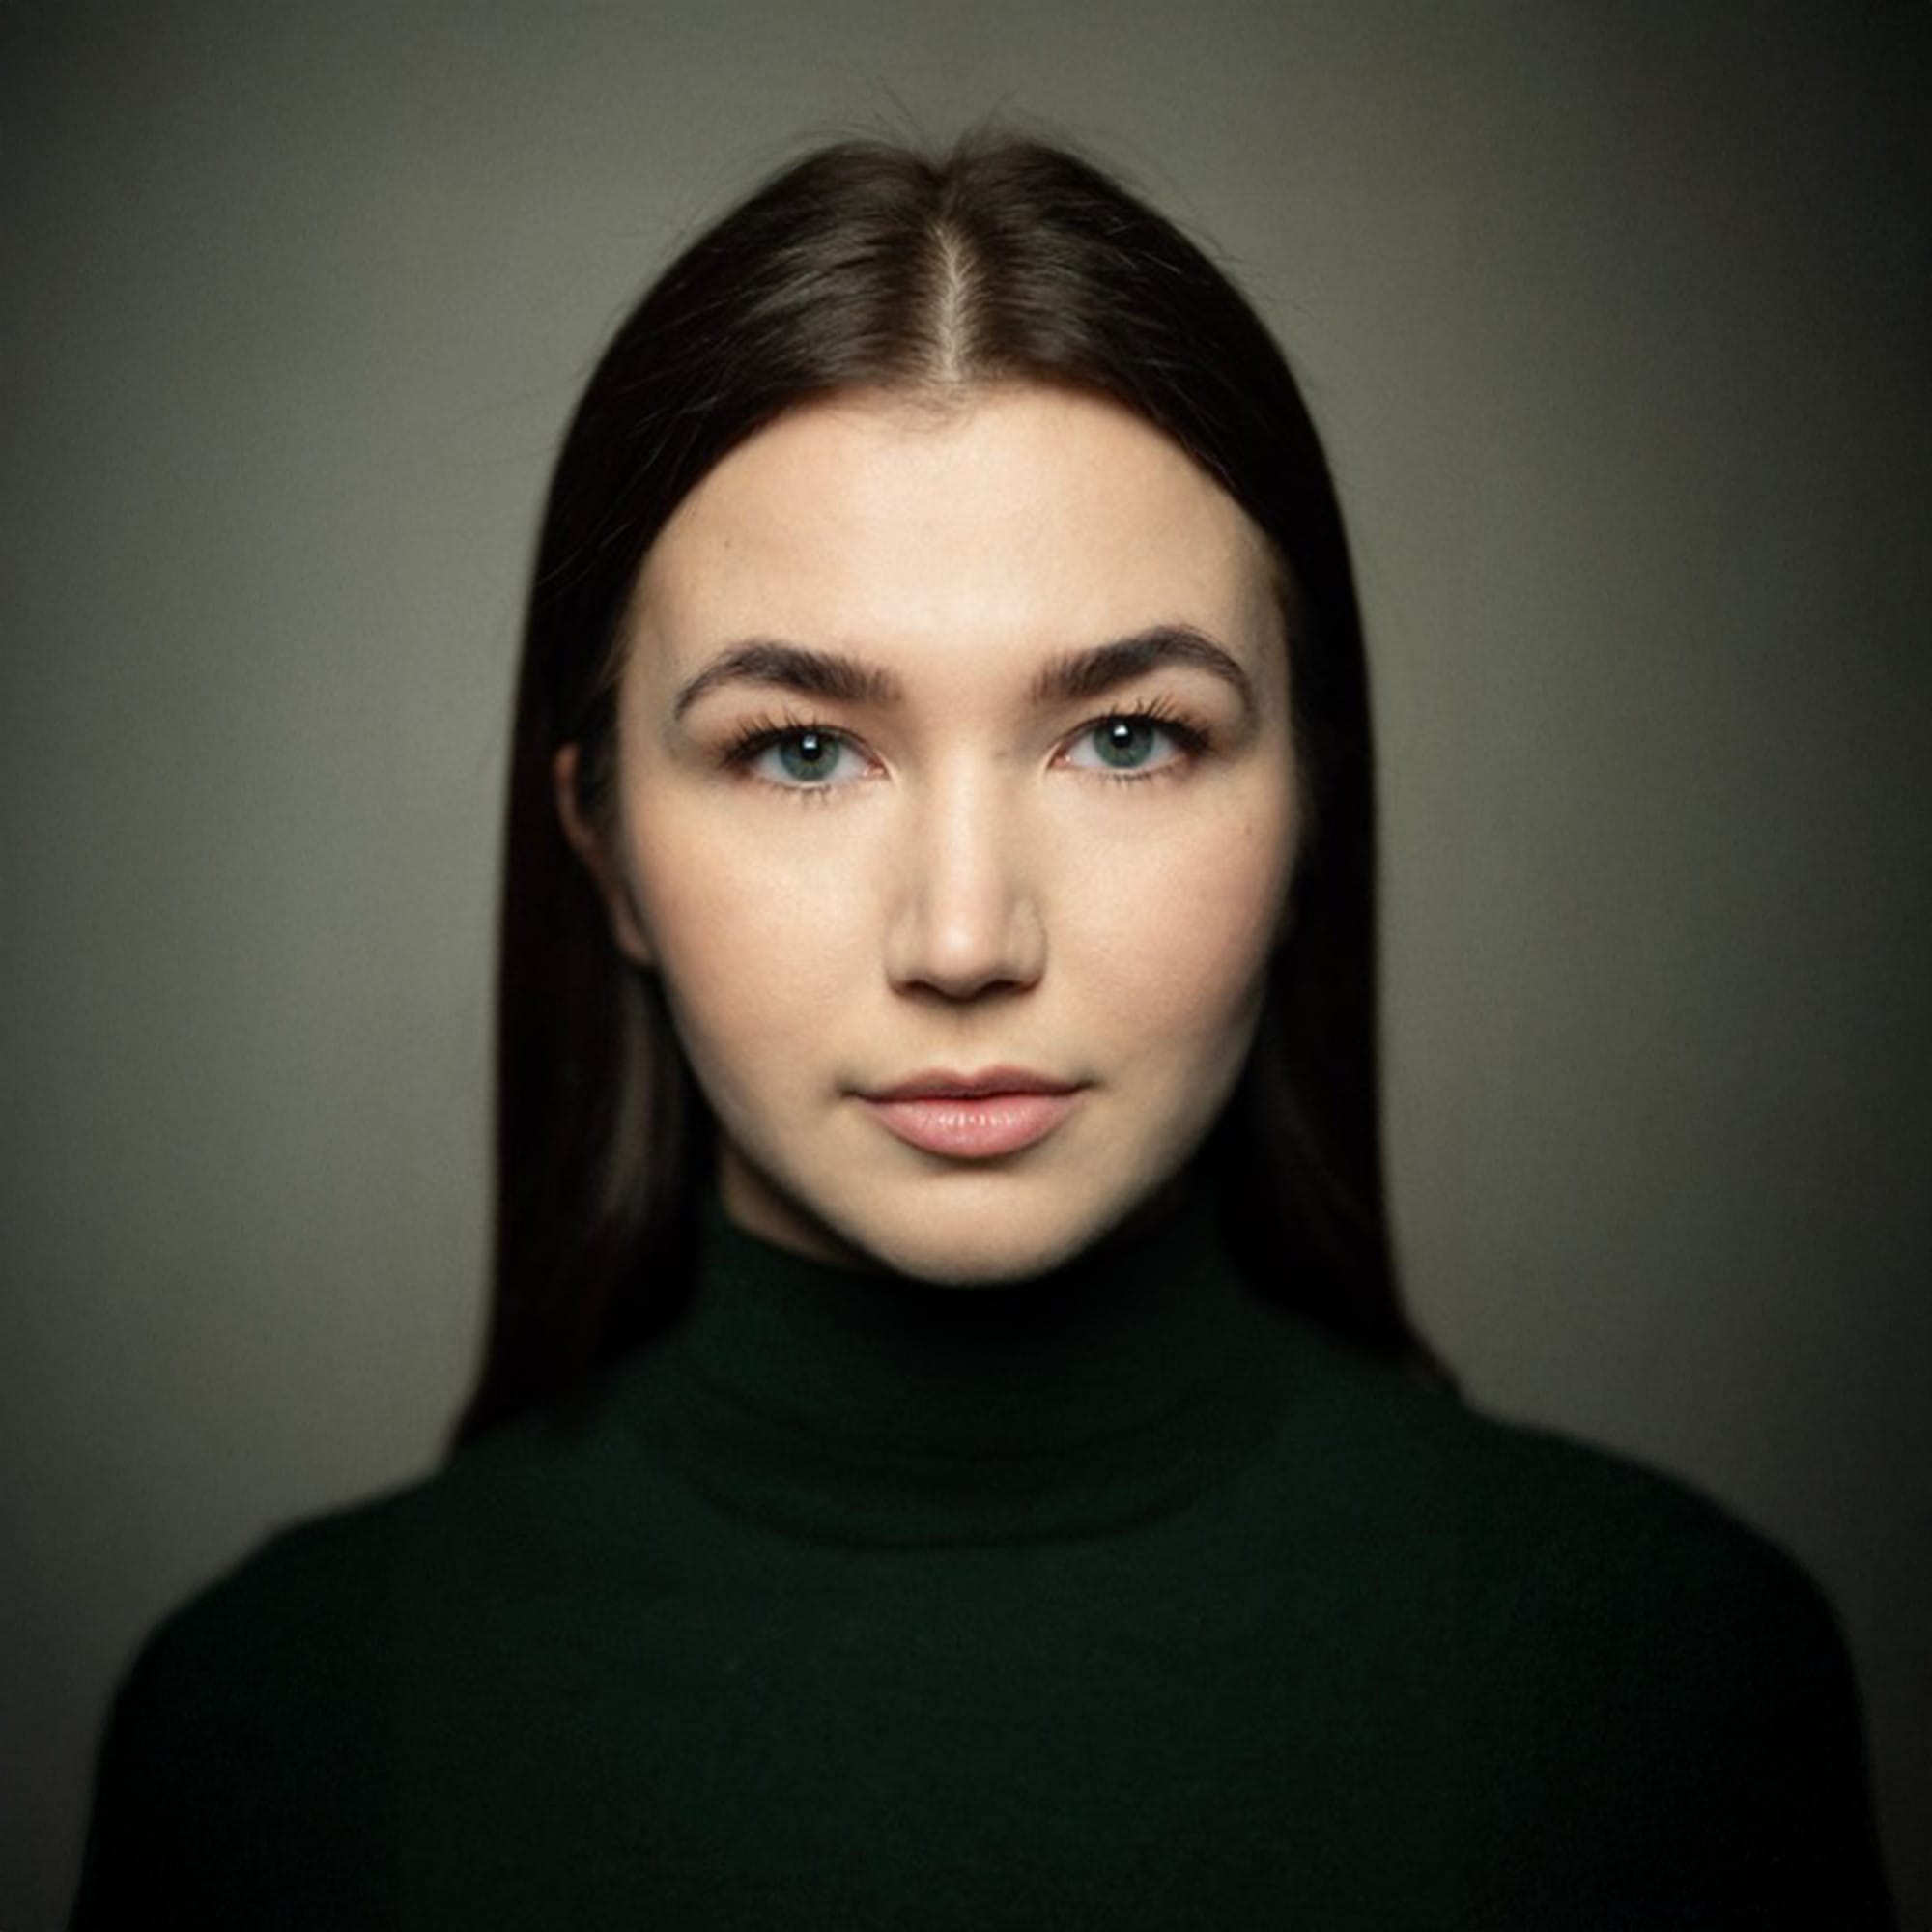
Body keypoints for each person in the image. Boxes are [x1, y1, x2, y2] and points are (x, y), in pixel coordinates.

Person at [70, 127, 1894, 1929]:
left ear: (1312, 807)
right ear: (603, 852)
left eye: (1127, 737)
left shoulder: (1668, 1687)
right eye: (799, 750)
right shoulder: (269, 1734)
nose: (963, 939)